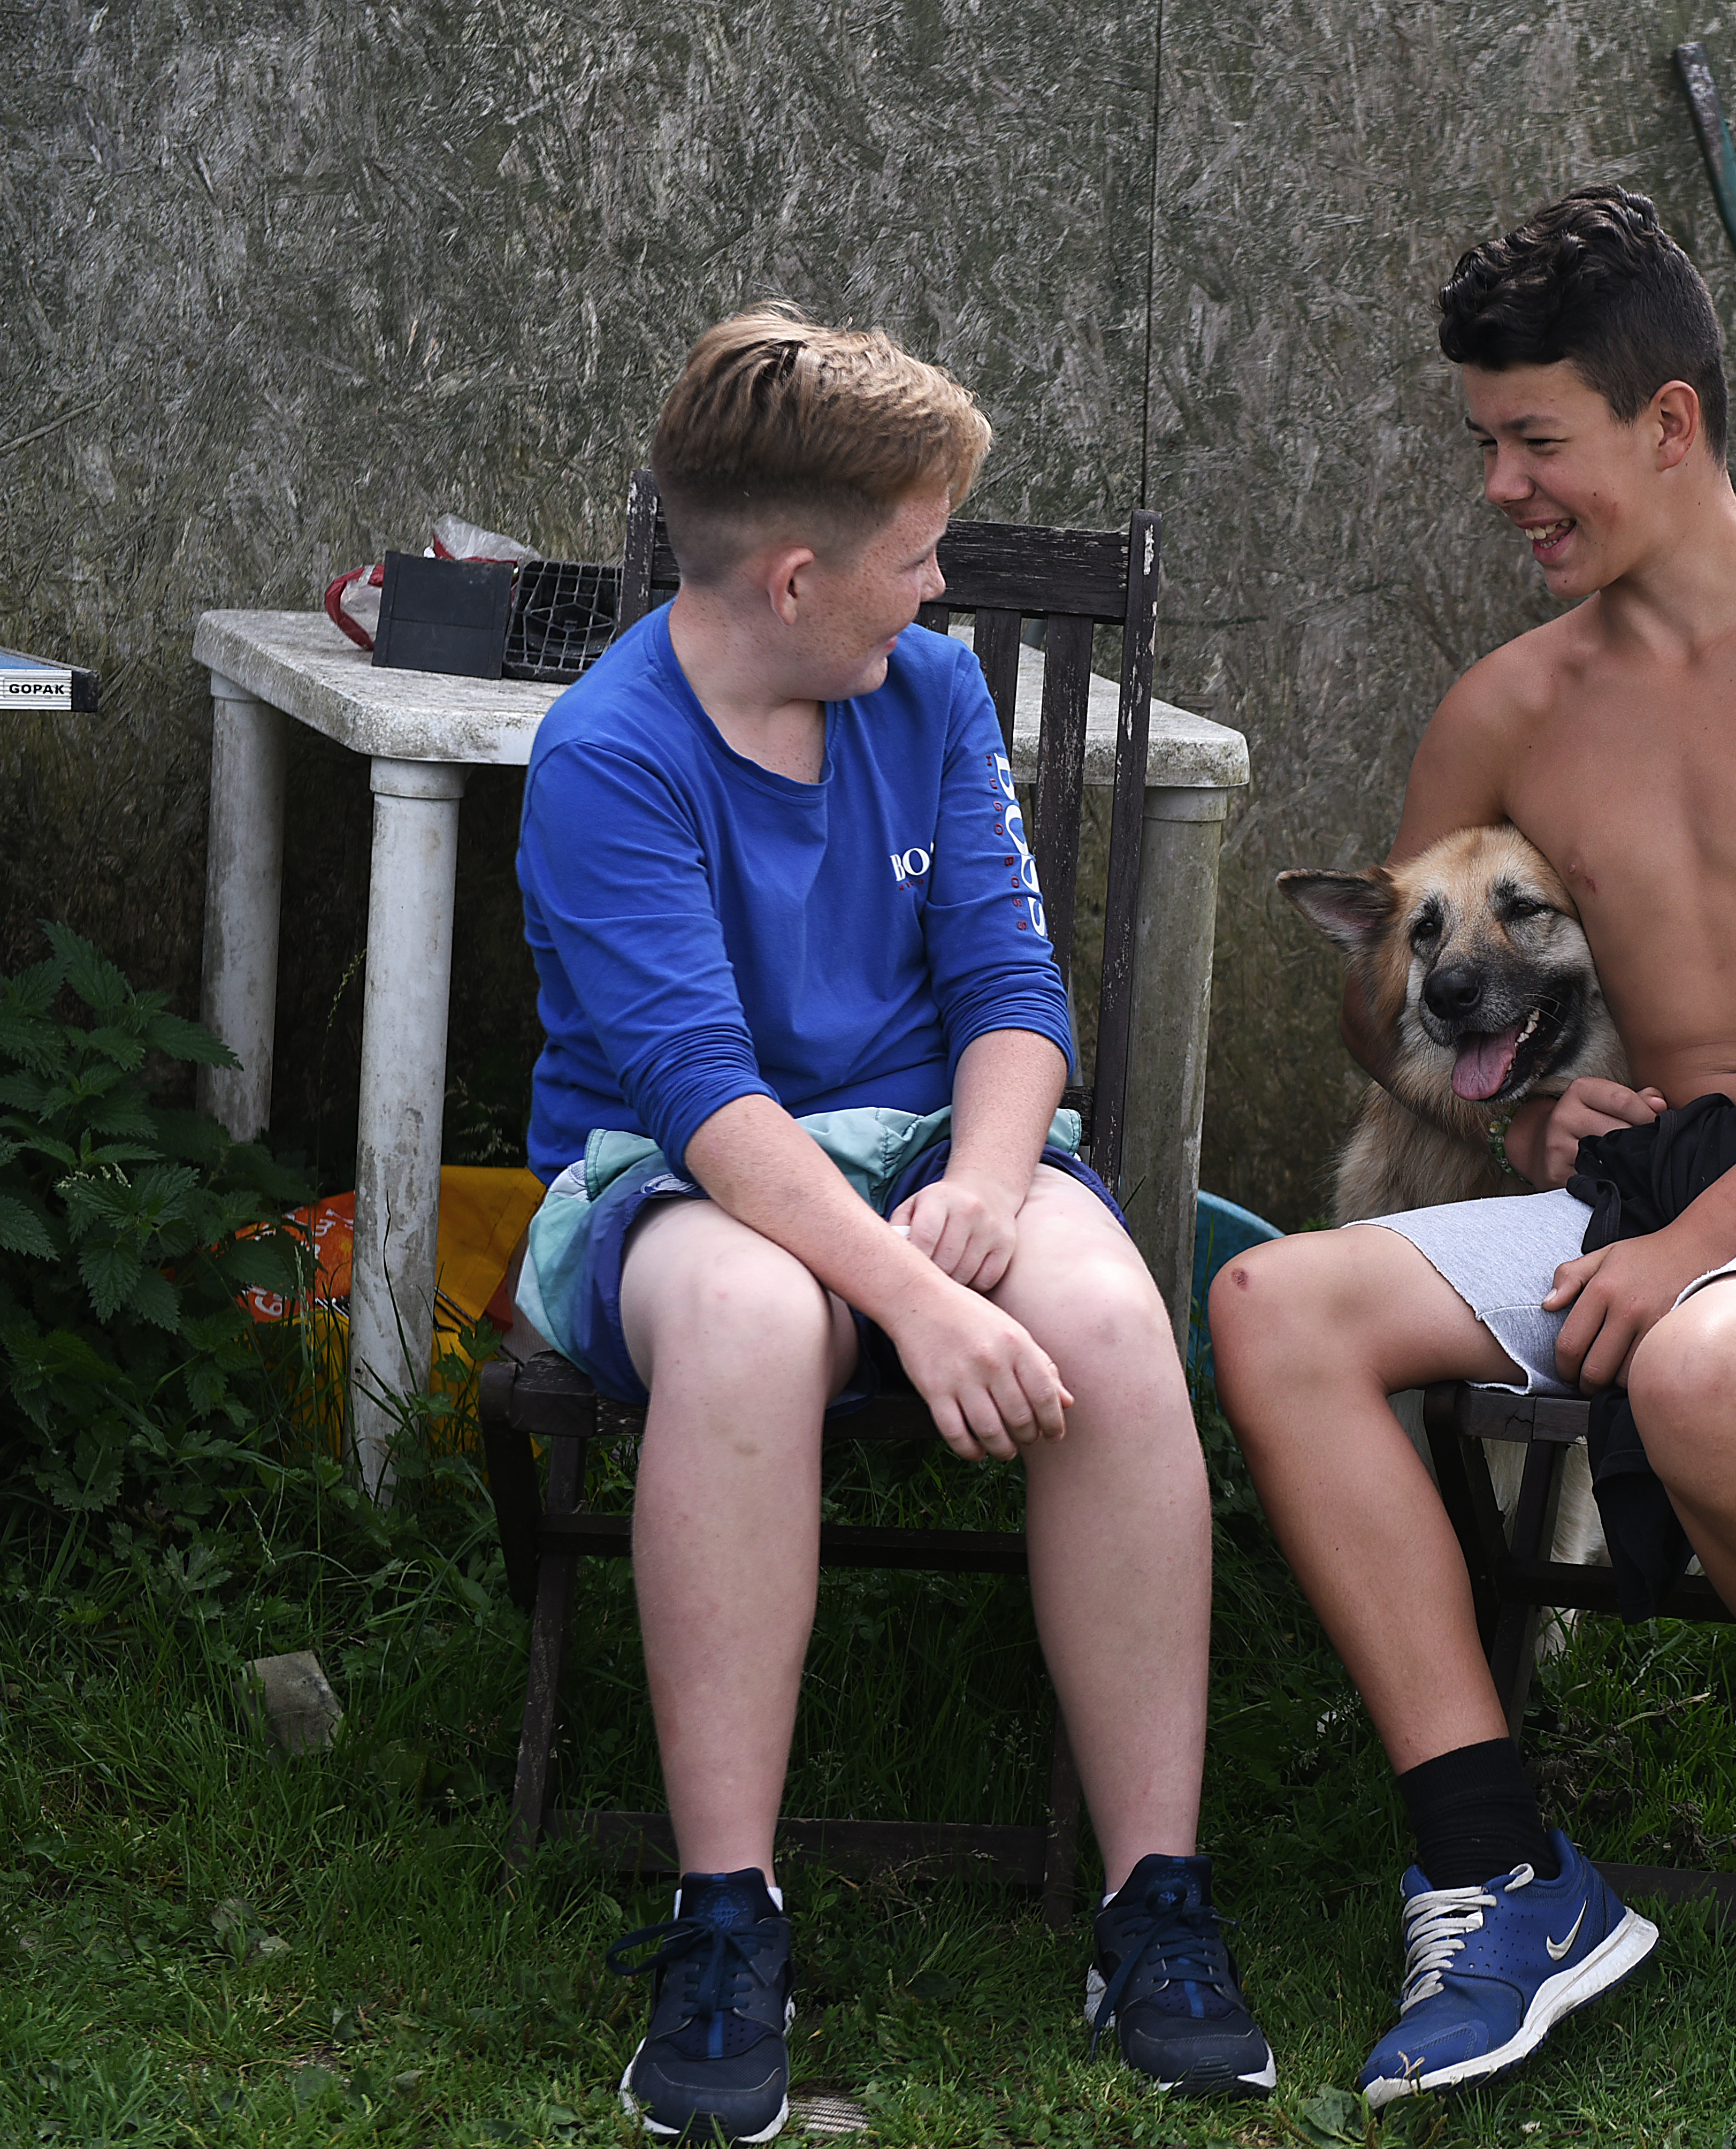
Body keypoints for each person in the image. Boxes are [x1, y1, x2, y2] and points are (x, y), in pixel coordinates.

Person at [1209, 186, 1736, 2108]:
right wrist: (1526, 1107)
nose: (1502, 485)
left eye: (1539, 441)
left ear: (1669, 424)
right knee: (1269, 1304)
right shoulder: (1511, 706)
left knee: (1696, 1363)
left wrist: (1695, 1250)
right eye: (1482, 443)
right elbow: (1399, 1004)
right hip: (1647, 1193)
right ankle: (1496, 1863)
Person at [513, 307, 1272, 2139]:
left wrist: (992, 1193)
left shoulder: (921, 701)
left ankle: (1151, 1896)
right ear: (796, 576)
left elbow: (1014, 992)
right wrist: (911, 1306)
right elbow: (702, 1097)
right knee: (765, 1323)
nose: (936, 596)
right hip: (675, 1179)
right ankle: (724, 1912)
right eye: (920, 559)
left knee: (1103, 1318)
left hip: (935, 1144)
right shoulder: (610, 754)